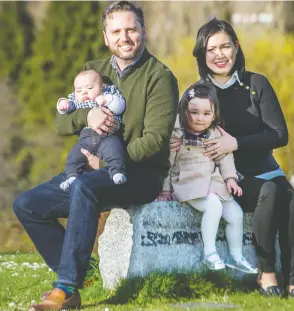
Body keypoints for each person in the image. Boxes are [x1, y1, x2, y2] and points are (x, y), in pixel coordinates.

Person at [13, 1, 179, 310]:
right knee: (27, 204)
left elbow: (155, 141)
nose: (124, 37)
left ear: (143, 30)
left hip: (139, 175)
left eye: (131, 29)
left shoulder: (160, 77)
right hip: (90, 170)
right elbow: (62, 121)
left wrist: (106, 162)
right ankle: (84, 270)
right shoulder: (94, 70)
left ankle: (66, 289)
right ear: (106, 37)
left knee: (84, 187)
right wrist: (85, 119)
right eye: (116, 31)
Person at [172, 18, 294, 297]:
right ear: (201, 54)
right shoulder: (197, 94)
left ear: (237, 47)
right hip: (228, 179)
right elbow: (181, 141)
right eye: (211, 49)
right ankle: (266, 274)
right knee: (270, 193)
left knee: (291, 200)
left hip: (267, 169)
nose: (220, 54)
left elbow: (280, 134)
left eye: (225, 46)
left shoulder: (256, 84)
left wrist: (235, 143)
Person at [157, 82, 258, 274]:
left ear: (214, 114)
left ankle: (236, 257)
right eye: (194, 112)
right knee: (213, 206)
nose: (200, 118)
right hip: (188, 181)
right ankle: (209, 253)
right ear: (184, 110)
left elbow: (225, 157)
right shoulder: (176, 134)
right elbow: (166, 164)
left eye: (206, 113)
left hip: (213, 181)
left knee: (236, 215)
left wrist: (230, 179)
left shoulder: (215, 132)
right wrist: (165, 189)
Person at [56, 69, 127, 190]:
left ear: (101, 87)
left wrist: (107, 100)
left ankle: (117, 172)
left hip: (108, 136)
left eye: (89, 88)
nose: (84, 93)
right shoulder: (76, 101)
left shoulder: (108, 94)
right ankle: (72, 176)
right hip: (85, 140)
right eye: (79, 90)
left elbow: (120, 107)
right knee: (73, 155)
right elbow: (63, 115)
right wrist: (63, 104)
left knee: (114, 150)